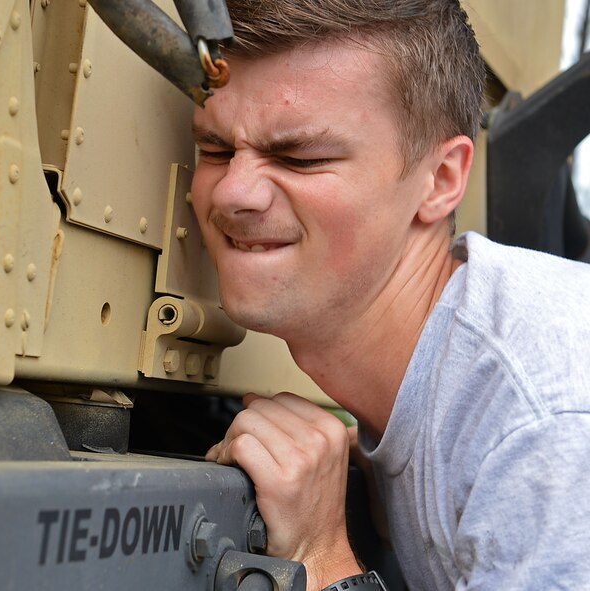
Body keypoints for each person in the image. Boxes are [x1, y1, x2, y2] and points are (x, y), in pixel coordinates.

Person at [193, 1, 590, 590]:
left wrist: (322, 557)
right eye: (215, 150)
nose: (233, 193)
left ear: (442, 180)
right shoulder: (449, 396)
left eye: (301, 158)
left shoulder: (542, 422)